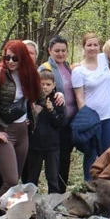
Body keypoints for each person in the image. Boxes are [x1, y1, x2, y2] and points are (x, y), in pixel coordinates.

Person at [0, 40, 42, 198]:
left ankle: (4, 211)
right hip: (4, 131)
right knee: (11, 181)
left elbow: (41, 98)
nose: (10, 62)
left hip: (22, 132)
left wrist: (32, 116)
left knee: (15, 181)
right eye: (7, 57)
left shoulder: (30, 74)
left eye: (15, 58)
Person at [71, 34, 110, 179]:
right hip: (92, 119)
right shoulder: (78, 71)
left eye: (95, 45)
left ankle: (105, 184)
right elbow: (79, 97)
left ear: (100, 46)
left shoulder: (104, 59)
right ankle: (89, 184)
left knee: (108, 152)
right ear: (83, 47)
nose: (92, 48)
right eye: (89, 45)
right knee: (91, 154)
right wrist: (86, 120)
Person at [39, 35, 75, 193]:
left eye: (63, 50)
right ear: (49, 51)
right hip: (54, 122)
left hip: (69, 121)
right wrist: (56, 94)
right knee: (55, 161)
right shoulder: (45, 68)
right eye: (57, 51)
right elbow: (39, 91)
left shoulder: (68, 67)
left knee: (65, 159)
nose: (61, 54)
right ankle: (53, 194)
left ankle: (62, 193)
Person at [22, 70, 64, 190]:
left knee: (53, 178)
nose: (44, 87)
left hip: (52, 146)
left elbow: (59, 123)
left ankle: (54, 200)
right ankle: (30, 199)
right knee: (32, 178)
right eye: (42, 84)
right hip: (34, 145)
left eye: (48, 84)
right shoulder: (31, 100)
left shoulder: (57, 100)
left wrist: (52, 111)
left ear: (54, 85)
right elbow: (26, 119)